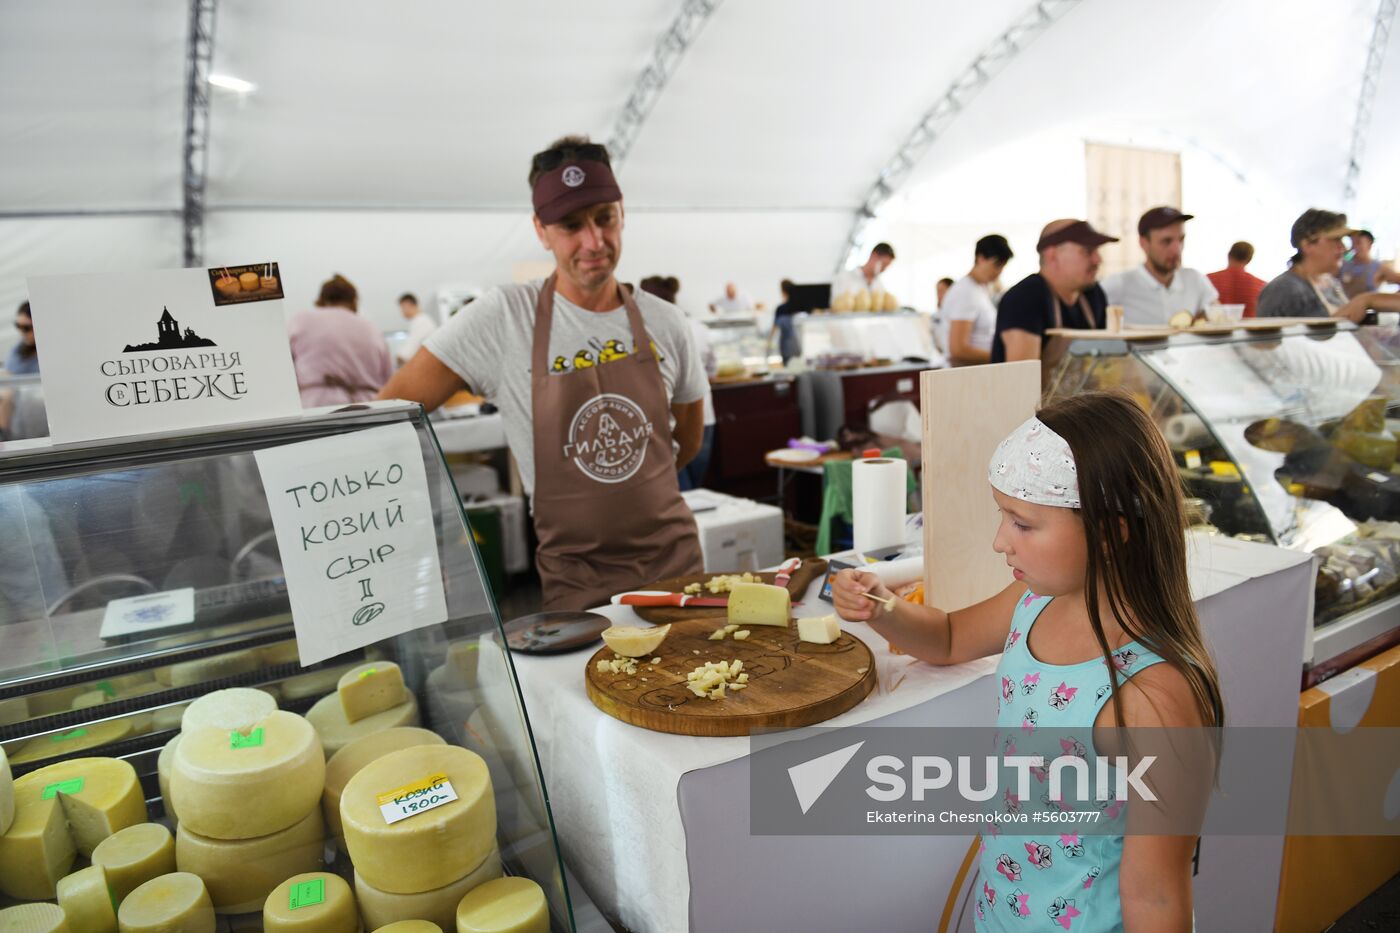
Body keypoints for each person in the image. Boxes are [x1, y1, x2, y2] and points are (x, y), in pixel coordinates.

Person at [834, 391, 1222, 933]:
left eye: (1022, 523)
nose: (1000, 542)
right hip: (1003, 913)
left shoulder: (1153, 698)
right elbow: (947, 637)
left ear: (1110, 534)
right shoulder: (1033, 603)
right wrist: (882, 607)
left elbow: (1156, 898)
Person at [379, 135, 706, 610]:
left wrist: (624, 486)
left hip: (677, 570)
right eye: (571, 225)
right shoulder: (504, 318)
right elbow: (391, 408)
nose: (594, 241)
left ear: (622, 213)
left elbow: (688, 439)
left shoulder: (665, 321)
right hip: (579, 583)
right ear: (541, 230)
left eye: (604, 219)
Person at [991, 220, 1116, 367]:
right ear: (1052, 255)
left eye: (1097, 251)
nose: (1098, 260)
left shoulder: (1093, 294)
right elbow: (1023, 379)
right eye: (1088, 251)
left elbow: (1108, 363)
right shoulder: (1025, 297)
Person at [1257, 209, 1400, 322]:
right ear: (1307, 244)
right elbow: (1268, 347)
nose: (1343, 248)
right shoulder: (1283, 289)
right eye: (1336, 240)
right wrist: (1366, 300)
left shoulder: (1328, 282)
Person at [644, 276, 717, 491]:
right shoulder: (698, 327)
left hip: (669, 422)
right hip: (705, 417)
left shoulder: (649, 329)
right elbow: (713, 369)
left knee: (679, 490)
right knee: (693, 488)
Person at [288, 274, 393, 407]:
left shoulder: (301, 321)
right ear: (354, 300)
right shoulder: (371, 329)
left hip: (316, 407)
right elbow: (389, 382)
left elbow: (283, 370)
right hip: (368, 409)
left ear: (322, 299)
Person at [1101, 207, 1217, 326]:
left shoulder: (1195, 279)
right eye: (1166, 241)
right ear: (1143, 243)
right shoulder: (1119, 284)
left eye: (1181, 239)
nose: (1176, 250)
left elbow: (1218, 316)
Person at [943, 235, 1014, 366]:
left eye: (1002, 267)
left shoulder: (981, 289)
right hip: (963, 377)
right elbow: (958, 350)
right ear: (980, 258)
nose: (999, 272)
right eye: (996, 265)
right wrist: (1003, 356)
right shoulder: (965, 292)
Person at [1206, 242, 1267, 318]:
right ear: (1249, 260)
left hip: (1215, 329)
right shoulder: (1262, 286)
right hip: (1248, 329)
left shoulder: (1207, 280)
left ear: (1229, 255)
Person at [1339, 230, 1400, 299]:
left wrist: (1388, 301)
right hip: (1343, 307)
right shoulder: (1343, 265)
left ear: (1369, 244)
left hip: (1369, 309)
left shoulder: (1379, 267)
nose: (1354, 247)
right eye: (1352, 243)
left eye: (1358, 243)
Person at [832, 242, 896, 302]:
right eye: (883, 265)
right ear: (874, 255)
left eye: (886, 267)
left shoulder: (879, 285)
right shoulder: (844, 278)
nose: (883, 270)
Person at [395, 293, 439, 365]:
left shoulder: (421, 322)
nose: (402, 312)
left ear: (408, 304)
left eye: (402, 308)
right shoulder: (422, 320)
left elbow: (406, 353)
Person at [770, 279, 801, 364]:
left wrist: (768, 342)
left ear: (783, 291)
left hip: (787, 347)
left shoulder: (780, 309)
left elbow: (774, 329)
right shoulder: (799, 306)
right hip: (797, 346)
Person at [5, 302, 38, 375]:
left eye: (26, 328)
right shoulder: (18, 349)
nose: (22, 332)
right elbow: (8, 374)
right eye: (18, 326)